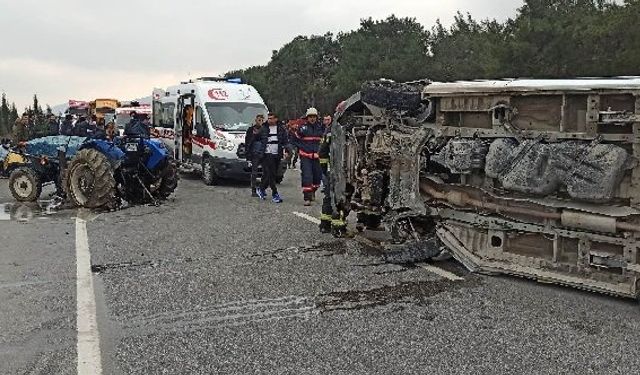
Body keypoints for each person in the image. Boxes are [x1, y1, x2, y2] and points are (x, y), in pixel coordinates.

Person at [292, 108, 324, 206]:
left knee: (318, 178)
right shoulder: (303, 128)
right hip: (305, 156)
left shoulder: (321, 128)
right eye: (310, 117)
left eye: (314, 117)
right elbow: (294, 139)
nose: (312, 119)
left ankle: (313, 191)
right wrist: (301, 148)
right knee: (307, 176)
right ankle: (307, 197)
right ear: (307, 118)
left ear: (316, 117)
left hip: (317, 157)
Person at [255, 113, 288, 203]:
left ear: (276, 119)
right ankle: (275, 193)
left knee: (270, 174)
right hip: (266, 154)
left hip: (277, 154)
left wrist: (287, 151)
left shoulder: (281, 129)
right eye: (268, 118)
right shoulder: (264, 128)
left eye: (272, 118)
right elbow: (256, 139)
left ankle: (261, 188)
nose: (269, 120)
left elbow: (285, 141)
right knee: (271, 174)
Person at [245, 114, 265, 197]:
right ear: (255, 120)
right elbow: (248, 142)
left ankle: (262, 189)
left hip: (263, 152)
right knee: (254, 172)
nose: (260, 122)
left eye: (261, 120)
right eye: (258, 120)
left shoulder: (265, 129)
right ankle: (253, 190)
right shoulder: (250, 130)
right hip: (254, 153)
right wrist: (248, 154)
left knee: (265, 171)